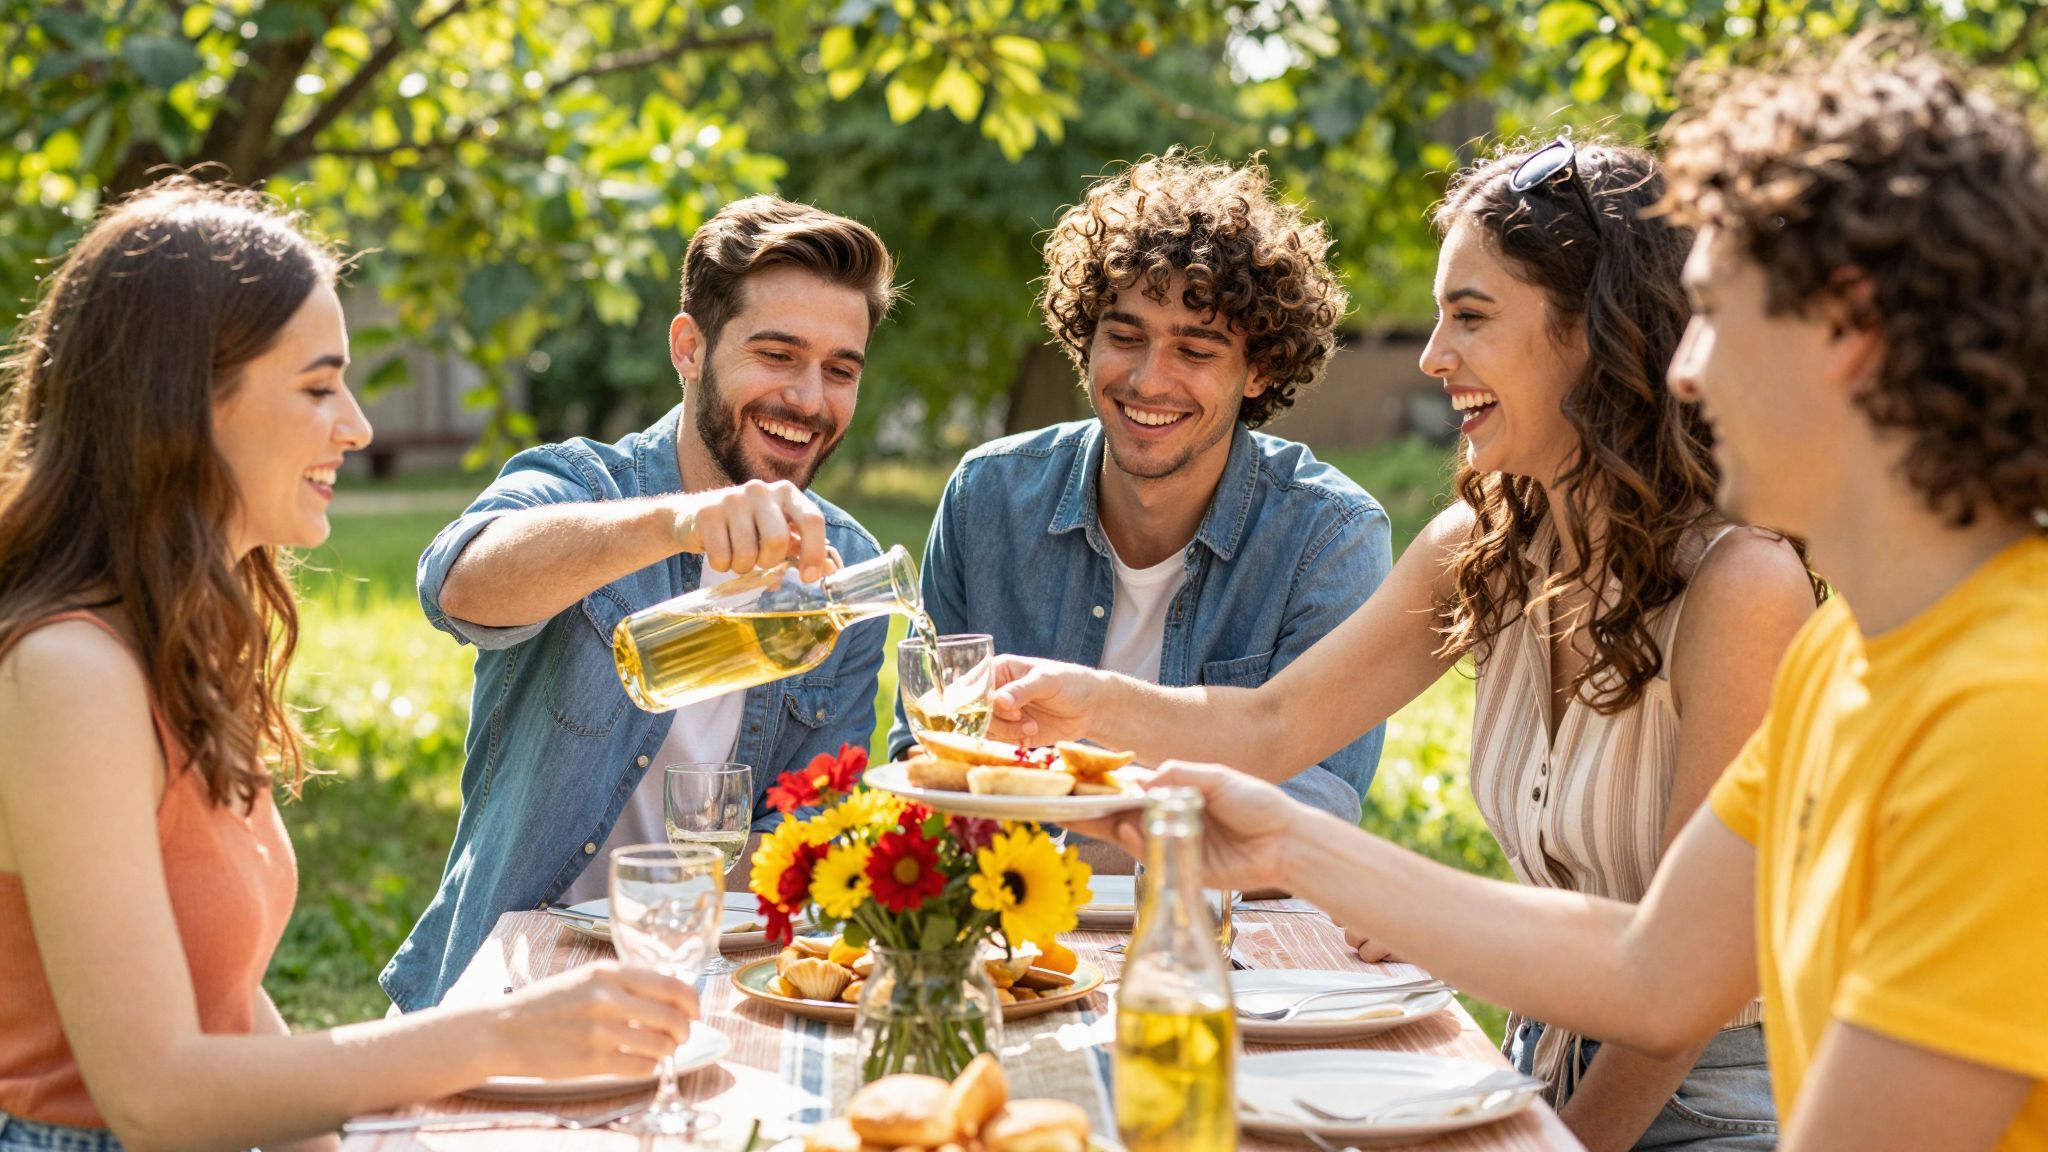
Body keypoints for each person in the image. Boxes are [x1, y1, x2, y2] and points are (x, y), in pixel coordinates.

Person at [1047, 34, 2048, 1152]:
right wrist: (1283, 843)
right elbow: (1654, 969)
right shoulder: (1846, 659)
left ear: (1847, 331)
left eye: (1714, 310)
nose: (1682, 366)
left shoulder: (2004, 713)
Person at [988, 137, 1822, 1148]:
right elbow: (1274, 721)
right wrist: (1082, 704)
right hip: (1538, 1058)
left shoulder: (1741, 585)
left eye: (1468, 317)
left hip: (1713, 1104)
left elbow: (1692, 983)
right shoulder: (1488, 543)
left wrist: (1564, 1140)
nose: (1432, 355)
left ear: (1597, 335)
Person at [0, 180, 700, 1152]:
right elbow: (154, 1095)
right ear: (186, 402)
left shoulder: (172, 642)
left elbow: (229, 1007)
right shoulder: (67, 675)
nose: (357, 425)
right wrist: (496, 1034)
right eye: (319, 385)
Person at [382, 196, 901, 1011]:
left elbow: (810, 838)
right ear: (690, 349)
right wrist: (678, 524)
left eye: (840, 369)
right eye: (777, 355)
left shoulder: (848, 568)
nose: (808, 399)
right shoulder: (586, 488)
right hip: (505, 986)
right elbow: (458, 584)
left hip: (716, 996)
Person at [887, 149, 1394, 849]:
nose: (1150, 381)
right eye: (1125, 338)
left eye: (1196, 351)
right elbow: (917, 765)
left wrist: (1081, 813)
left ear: (1261, 368)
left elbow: (1317, 806)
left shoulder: (1329, 535)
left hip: (1227, 936)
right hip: (1012, 926)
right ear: (1086, 342)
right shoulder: (987, 497)